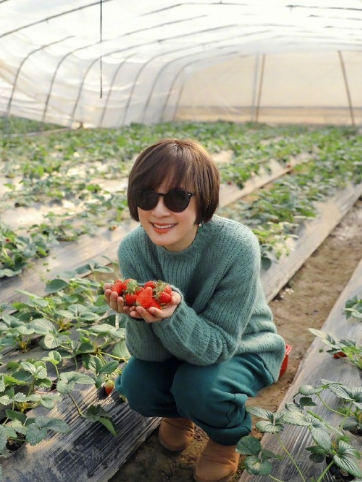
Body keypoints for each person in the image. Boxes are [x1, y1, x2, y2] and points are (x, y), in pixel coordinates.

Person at [104, 138, 286, 482]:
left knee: (198, 388)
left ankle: (224, 440)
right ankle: (178, 415)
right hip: (177, 347)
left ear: (203, 200)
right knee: (137, 384)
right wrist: (138, 315)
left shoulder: (235, 246)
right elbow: (147, 354)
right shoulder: (134, 247)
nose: (159, 211)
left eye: (176, 198)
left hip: (241, 346)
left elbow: (218, 346)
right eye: (147, 196)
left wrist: (174, 311)